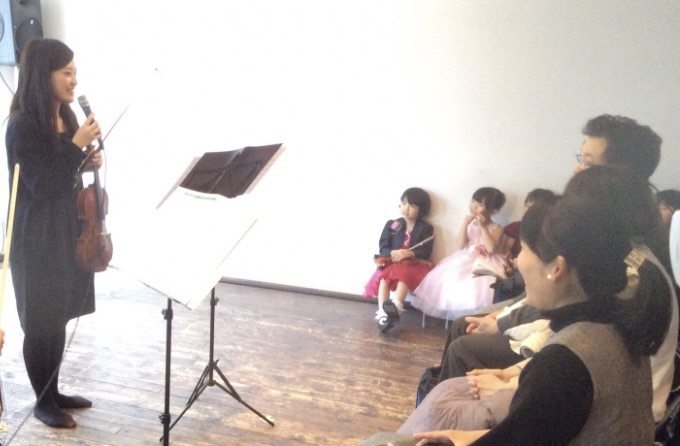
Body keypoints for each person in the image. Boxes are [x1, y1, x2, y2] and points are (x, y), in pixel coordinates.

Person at [361, 192, 671, 446]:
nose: (518, 261)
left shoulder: (564, 362)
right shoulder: (610, 323)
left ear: (556, 268)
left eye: (524, 251)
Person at [429, 114, 669, 391]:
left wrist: (511, 377)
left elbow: (580, 331)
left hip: (606, 385)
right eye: (579, 159)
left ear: (618, 177)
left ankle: (445, 405)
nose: (575, 170)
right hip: (568, 347)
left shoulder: (626, 260)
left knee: (464, 346)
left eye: (587, 163)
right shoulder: (609, 232)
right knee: (466, 324)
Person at [5, 38, 104, 428]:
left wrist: (88, 159)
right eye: (66, 72)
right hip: (35, 237)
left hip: (68, 231)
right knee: (40, 321)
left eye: (75, 72)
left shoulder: (66, 115)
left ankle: (54, 390)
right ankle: (42, 401)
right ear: (43, 75)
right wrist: (76, 146)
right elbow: (42, 185)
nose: (73, 80)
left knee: (59, 314)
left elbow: (67, 175)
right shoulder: (22, 126)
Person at [413, 187, 506, 320]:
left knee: (479, 285)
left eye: (480, 205)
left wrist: (483, 227)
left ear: (493, 211)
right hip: (466, 257)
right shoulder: (470, 223)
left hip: (487, 261)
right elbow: (461, 245)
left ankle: (477, 316)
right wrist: (465, 224)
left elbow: (491, 248)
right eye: (473, 201)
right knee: (455, 278)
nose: (474, 206)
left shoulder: (497, 228)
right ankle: (459, 313)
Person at [364, 187, 434, 332]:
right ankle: (383, 313)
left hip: (414, 264)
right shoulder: (393, 224)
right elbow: (383, 245)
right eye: (403, 203)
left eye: (411, 206)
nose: (405, 208)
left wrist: (409, 253)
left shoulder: (426, 227)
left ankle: (396, 306)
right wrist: (392, 252)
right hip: (393, 261)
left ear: (421, 209)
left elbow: (426, 251)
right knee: (384, 278)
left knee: (404, 275)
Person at [490, 188, 556, 303]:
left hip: (533, 272)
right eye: (527, 206)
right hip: (515, 268)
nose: (529, 211)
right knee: (500, 283)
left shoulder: (548, 231)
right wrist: (510, 263)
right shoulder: (516, 227)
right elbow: (506, 250)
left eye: (534, 208)